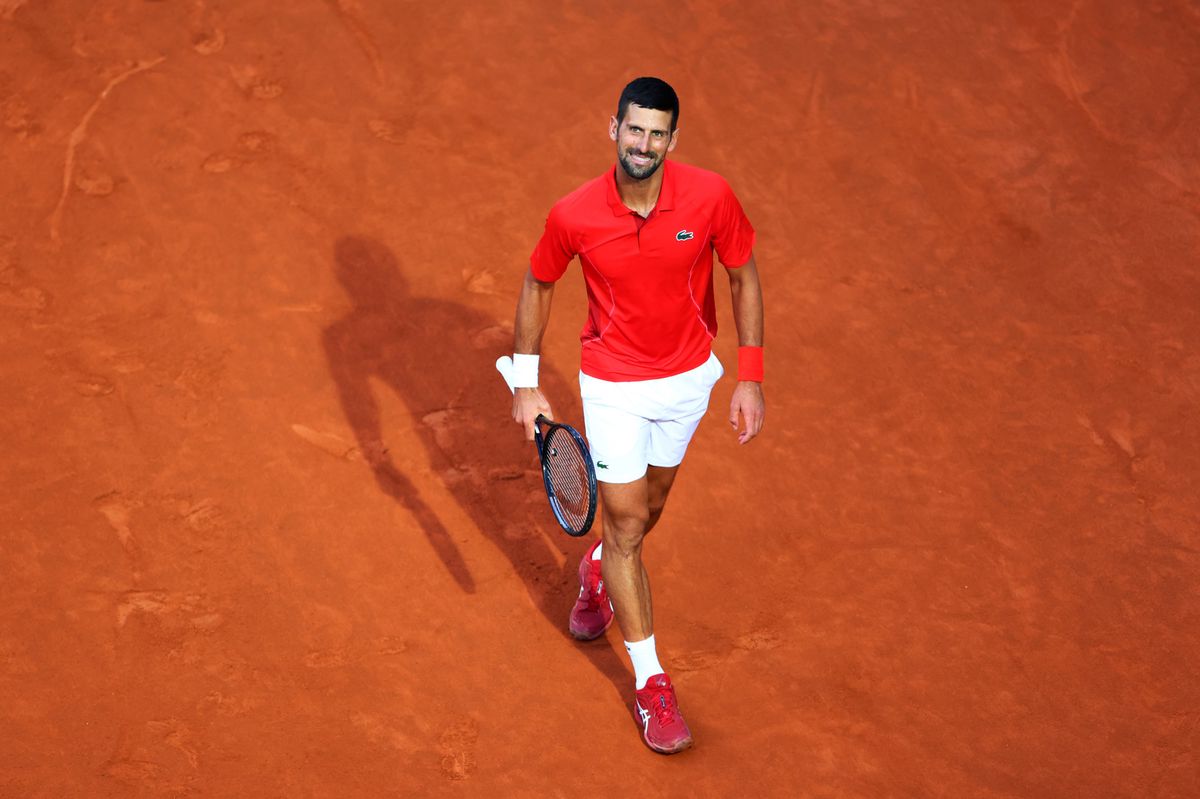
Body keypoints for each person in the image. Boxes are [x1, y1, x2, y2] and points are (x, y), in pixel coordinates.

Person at [507, 76, 765, 754]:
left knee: (647, 511)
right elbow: (539, 281)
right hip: (613, 382)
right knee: (625, 525)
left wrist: (751, 377)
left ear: (672, 140)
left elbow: (743, 273)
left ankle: (595, 571)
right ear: (613, 128)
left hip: (686, 382)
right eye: (634, 129)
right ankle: (653, 684)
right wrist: (525, 383)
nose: (643, 143)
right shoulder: (575, 214)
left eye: (657, 133)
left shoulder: (710, 197)